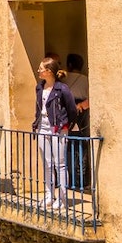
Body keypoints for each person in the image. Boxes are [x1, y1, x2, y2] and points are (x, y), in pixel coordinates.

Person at [33, 56, 78, 211]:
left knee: (60, 163)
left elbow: (72, 110)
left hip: (58, 129)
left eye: (41, 68)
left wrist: (67, 125)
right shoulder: (39, 87)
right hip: (42, 127)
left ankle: (62, 198)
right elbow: (38, 108)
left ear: (49, 71)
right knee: (47, 163)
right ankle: (48, 195)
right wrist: (36, 123)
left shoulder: (62, 89)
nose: (38, 70)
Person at [65, 53, 92, 190]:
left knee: (68, 146)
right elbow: (90, 98)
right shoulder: (87, 80)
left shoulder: (65, 79)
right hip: (82, 113)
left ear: (69, 64)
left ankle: (71, 181)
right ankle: (82, 180)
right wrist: (81, 106)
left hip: (68, 113)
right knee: (82, 146)